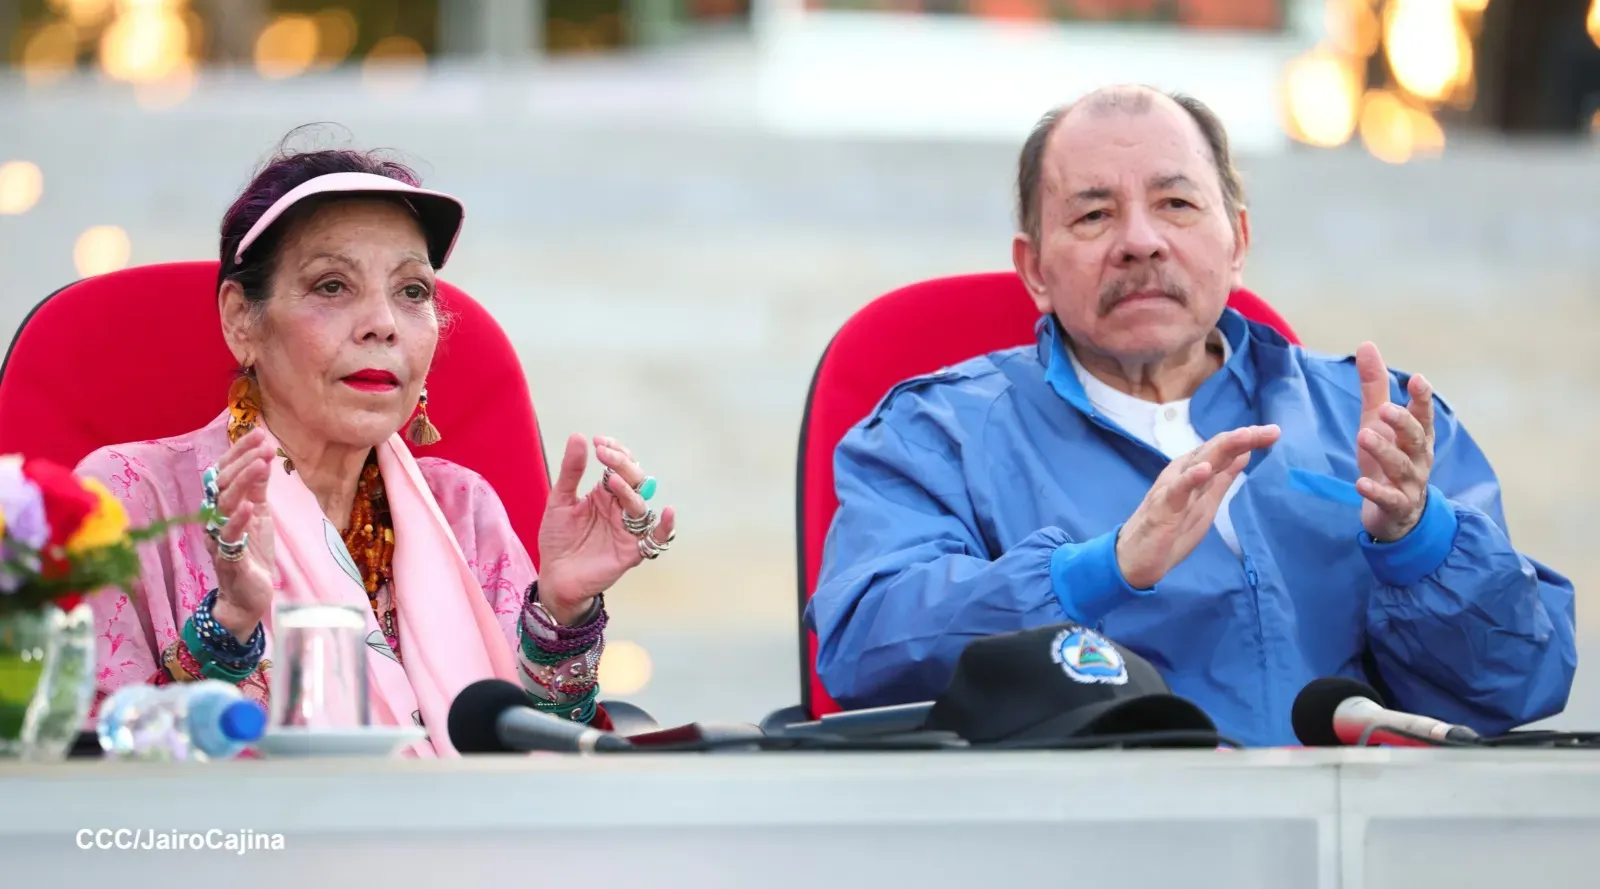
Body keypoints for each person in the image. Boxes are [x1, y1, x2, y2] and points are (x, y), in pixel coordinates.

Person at [807, 86, 1577, 746]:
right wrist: (1095, 572)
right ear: (1035, 270)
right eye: (1094, 215)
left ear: (1237, 240)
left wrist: (1419, 543)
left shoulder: (1371, 421)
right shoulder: (935, 435)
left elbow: (1522, 683)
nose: (1140, 242)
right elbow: (865, 652)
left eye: (1176, 204)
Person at [78, 139, 677, 756]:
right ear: (240, 319)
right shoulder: (131, 495)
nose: (383, 323)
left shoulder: (461, 505)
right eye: (332, 286)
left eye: (412, 291)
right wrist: (230, 624)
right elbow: (88, 767)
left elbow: (539, 760)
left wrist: (563, 613)